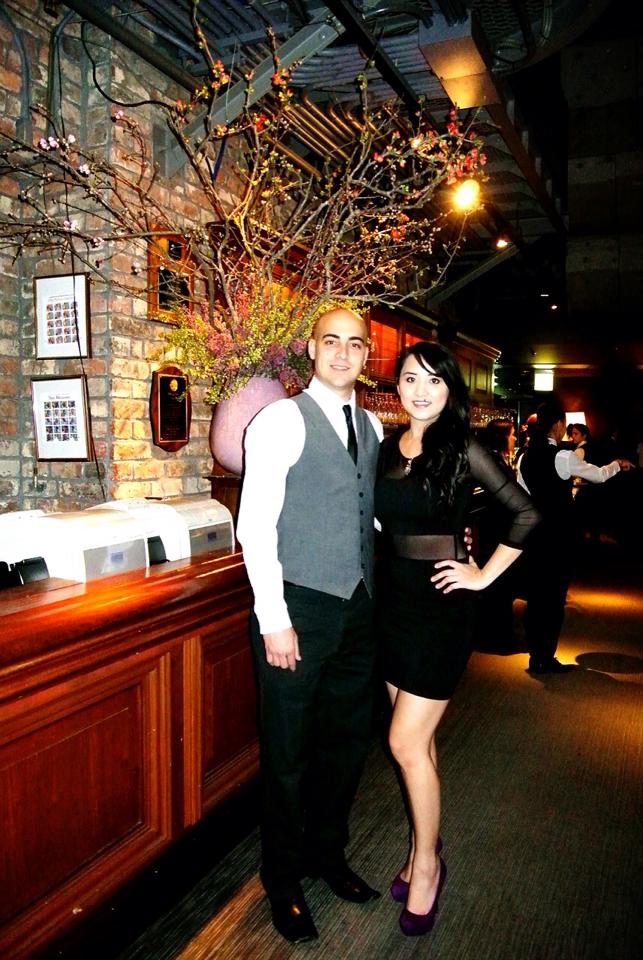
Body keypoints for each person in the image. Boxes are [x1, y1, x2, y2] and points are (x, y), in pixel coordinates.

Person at [374, 342, 540, 937]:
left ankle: (426, 865)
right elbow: (382, 522)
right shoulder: (385, 448)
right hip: (393, 607)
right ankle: (424, 845)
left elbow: (526, 514)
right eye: (410, 379)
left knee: (403, 742)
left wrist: (482, 575)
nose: (421, 391)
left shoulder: (463, 448)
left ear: (450, 390)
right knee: (419, 743)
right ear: (396, 386)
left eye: (434, 381)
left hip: (442, 610)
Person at [236, 307, 383, 944]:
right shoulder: (278, 419)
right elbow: (254, 525)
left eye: (355, 344)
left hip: (358, 609)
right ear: (311, 349)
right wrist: (274, 619)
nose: (343, 354)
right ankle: (283, 878)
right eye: (332, 342)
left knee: (346, 745)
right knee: (289, 755)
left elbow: (364, 511)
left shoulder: (372, 424)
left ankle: (328, 855)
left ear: (367, 355)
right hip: (297, 609)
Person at [517, 399, 634, 674]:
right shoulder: (562, 456)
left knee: (536, 595)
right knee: (554, 596)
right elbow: (598, 475)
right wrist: (617, 464)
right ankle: (545, 656)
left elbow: (522, 496)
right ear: (558, 424)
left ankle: (535, 654)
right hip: (558, 535)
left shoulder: (524, 457)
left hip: (534, 534)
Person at [473, 418, 522, 652]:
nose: (514, 439)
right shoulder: (493, 461)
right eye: (512, 434)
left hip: (496, 528)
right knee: (498, 583)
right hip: (495, 530)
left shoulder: (495, 459)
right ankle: (497, 637)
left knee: (500, 584)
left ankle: (500, 633)